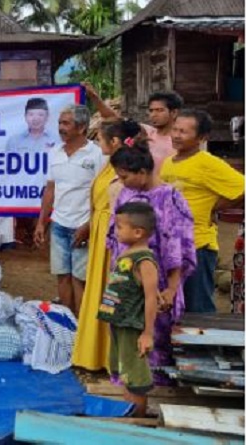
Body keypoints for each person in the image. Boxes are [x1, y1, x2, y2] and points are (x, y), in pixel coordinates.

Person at [108, 144, 196, 385]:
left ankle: (154, 392)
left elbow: (179, 247)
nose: (122, 182)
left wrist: (171, 288)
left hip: (158, 283)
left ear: (143, 171)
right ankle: (128, 387)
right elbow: (114, 242)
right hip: (126, 281)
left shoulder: (170, 197)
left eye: (125, 176)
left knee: (156, 338)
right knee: (125, 334)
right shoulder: (125, 194)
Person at [72, 119, 144, 371]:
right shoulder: (109, 165)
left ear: (114, 141)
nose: (96, 143)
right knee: (99, 291)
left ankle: (108, 357)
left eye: (99, 139)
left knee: (111, 292)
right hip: (101, 229)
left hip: (114, 234)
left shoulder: (126, 168)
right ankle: (95, 353)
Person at [160, 109, 245, 313]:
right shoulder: (169, 162)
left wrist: (214, 207)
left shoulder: (208, 163)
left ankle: (205, 346)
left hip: (197, 245)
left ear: (202, 137)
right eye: (175, 129)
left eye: (184, 132)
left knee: (198, 307)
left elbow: (242, 188)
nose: (176, 135)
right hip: (170, 246)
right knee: (175, 306)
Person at [34, 105, 104, 316]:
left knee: (79, 278)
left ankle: (80, 331)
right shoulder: (55, 152)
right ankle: (67, 324)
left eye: (66, 123)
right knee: (62, 275)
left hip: (82, 225)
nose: (61, 128)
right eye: (60, 123)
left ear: (82, 128)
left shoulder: (97, 154)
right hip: (59, 224)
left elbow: (101, 194)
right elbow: (50, 189)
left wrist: (90, 225)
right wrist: (41, 222)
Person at [98, 202, 160, 417]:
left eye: (119, 227)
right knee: (125, 371)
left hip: (133, 326)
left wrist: (147, 333)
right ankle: (129, 412)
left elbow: (152, 298)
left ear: (137, 232)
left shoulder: (144, 261)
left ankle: (138, 421)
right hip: (120, 323)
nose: (115, 231)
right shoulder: (127, 254)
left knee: (136, 376)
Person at [84, 82, 180, 175]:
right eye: (151, 111)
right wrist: (94, 97)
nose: (154, 115)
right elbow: (113, 118)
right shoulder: (147, 133)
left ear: (174, 113)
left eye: (159, 110)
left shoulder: (180, 141)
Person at [2, 98, 60, 249]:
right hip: (21, 188)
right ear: (25, 116)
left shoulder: (57, 140)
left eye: (40, 115)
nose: (35, 119)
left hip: (48, 186)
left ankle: (38, 239)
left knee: (45, 213)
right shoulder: (14, 140)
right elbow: (8, 167)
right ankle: (28, 237)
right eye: (31, 114)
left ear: (47, 117)